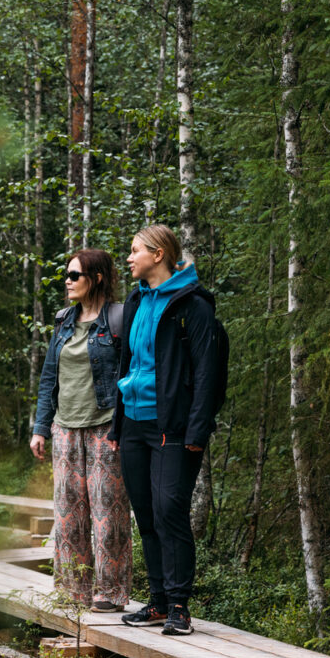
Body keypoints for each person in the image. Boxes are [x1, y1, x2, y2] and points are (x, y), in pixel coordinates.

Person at [108, 224, 228, 636]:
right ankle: (157, 602)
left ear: (158, 254)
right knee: (145, 515)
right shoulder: (137, 300)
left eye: (135, 250)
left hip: (172, 428)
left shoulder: (192, 306)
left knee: (169, 510)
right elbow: (128, 364)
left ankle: (179, 606)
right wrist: (118, 424)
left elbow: (208, 375)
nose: (129, 258)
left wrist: (196, 433)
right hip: (134, 425)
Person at [30, 249, 134, 612]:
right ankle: (73, 590)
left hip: (106, 426)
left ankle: (110, 592)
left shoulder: (120, 318)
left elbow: (130, 374)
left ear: (97, 278)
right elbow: (49, 379)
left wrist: (127, 425)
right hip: (64, 429)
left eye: (75, 275)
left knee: (109, 513)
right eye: (67, 275)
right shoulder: (63, 321)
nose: (68, 282)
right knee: (68, 514)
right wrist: (41, 428)